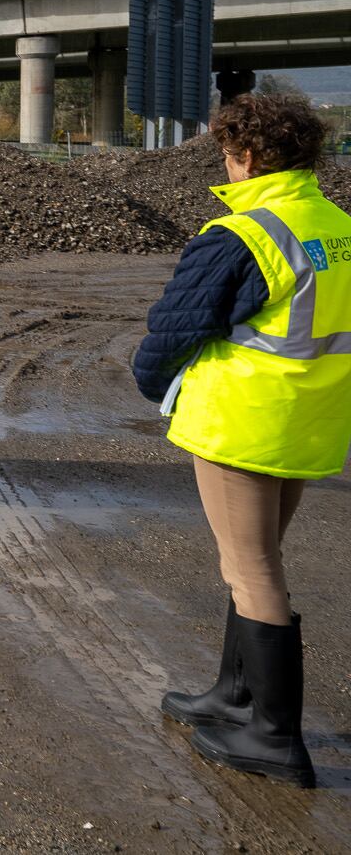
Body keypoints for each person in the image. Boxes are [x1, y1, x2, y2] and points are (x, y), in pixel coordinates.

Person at [133, 92, 349, 789]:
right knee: (252, 560)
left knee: (252, 567)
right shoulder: (337, 225)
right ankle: (235, 695)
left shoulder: (245, 233)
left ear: (248, 156)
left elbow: (171, 327)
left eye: (228, 156)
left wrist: (149, 379)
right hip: (306, 421)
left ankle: (276, 736)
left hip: (244, 423)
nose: (226, 169)